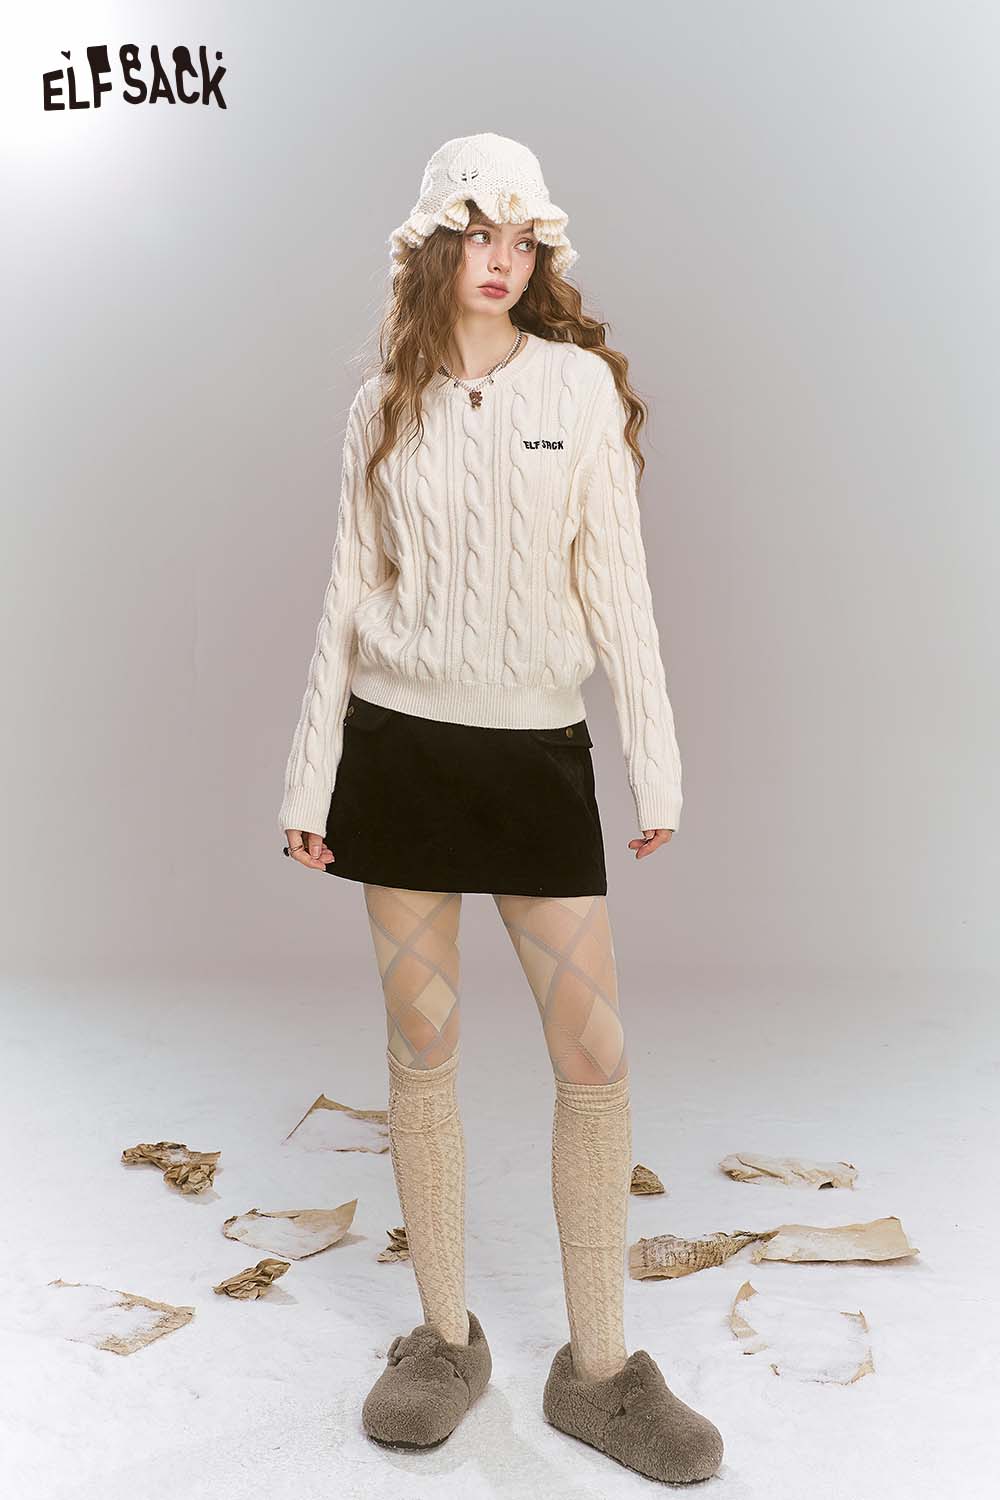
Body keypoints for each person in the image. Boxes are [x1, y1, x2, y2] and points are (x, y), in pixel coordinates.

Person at [278, 132, 723, 1483]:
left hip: (534, 759)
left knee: (593, 1057)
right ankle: (442, 1340)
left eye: (524, 240)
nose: (503, 260)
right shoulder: (381, 404)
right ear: (435, 245)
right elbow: (346, 596)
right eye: (480, 233)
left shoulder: (576, 389)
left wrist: (655, 763)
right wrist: (308, 779)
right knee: (423, 1047)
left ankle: (602, 1375)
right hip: (399, 753)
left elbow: (620, 587)